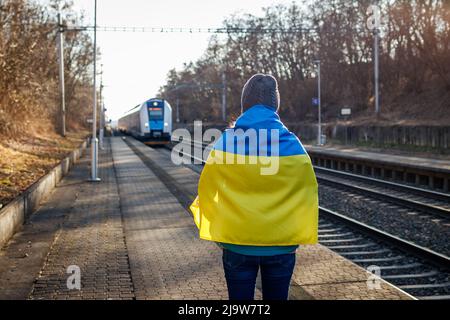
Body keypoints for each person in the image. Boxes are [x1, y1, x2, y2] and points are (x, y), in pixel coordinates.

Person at [190, 74, 318, 300]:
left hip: (237, 244)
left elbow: (207, 190)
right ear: (275, 104)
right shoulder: (293, 144)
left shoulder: (226, 143)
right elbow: (308, 193)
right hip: (282, 245)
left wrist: (219, 231)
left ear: (244, 104)